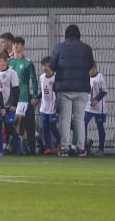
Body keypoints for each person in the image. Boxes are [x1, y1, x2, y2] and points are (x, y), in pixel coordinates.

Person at [49, 24, 94, 157]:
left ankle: (64, 148)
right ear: (78, 34)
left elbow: (52, 66)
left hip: (64, 88)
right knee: (79, 119)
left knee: (65, 119)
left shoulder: (58, 48)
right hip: (81, 89)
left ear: (66, 35)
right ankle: (80, 148)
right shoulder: (87, 48)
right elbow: (90, 66)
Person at [9, 36, 39, 155]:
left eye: (18, 44)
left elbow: (34, 80)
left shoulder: (27, 62)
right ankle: (25, 146)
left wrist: (35, 95)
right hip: (11, 97)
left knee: (17, 121)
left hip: (23, 96)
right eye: (14, 44)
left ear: (23, 46)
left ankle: (14, 146)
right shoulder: (8, 62)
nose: (16, 46)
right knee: (14, 123)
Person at [0, 51, 21, 156]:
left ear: (5, 61)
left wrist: (14, 105)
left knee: (9, 126)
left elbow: (16, 90)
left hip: (9, 106)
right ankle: (0, 149)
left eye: (0, 61)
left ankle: (18, 146)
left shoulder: (12, 73)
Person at [38, 57, 61, 155]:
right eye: (43, 66)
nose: (45, 68)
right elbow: (42, 91)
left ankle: (59, 141)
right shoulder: (42, 77)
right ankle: (48, 147)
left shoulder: (56, 77)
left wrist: (58, 107)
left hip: (53, 107)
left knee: (52, 125)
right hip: (44, 107)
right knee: (45, 127)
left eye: (47, 65)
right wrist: (37, 98)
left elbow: (59, 93)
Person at [86, 62, 108, 156]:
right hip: (88, 107)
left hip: (99, 108)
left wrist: (96, 100)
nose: (89, 72)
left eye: (90, 69)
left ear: (95, 68)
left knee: (100, 127)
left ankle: (101, 149)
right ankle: (86, 144)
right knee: (82, 124)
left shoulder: (100, 76)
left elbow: (104, 91)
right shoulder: (86, 77)